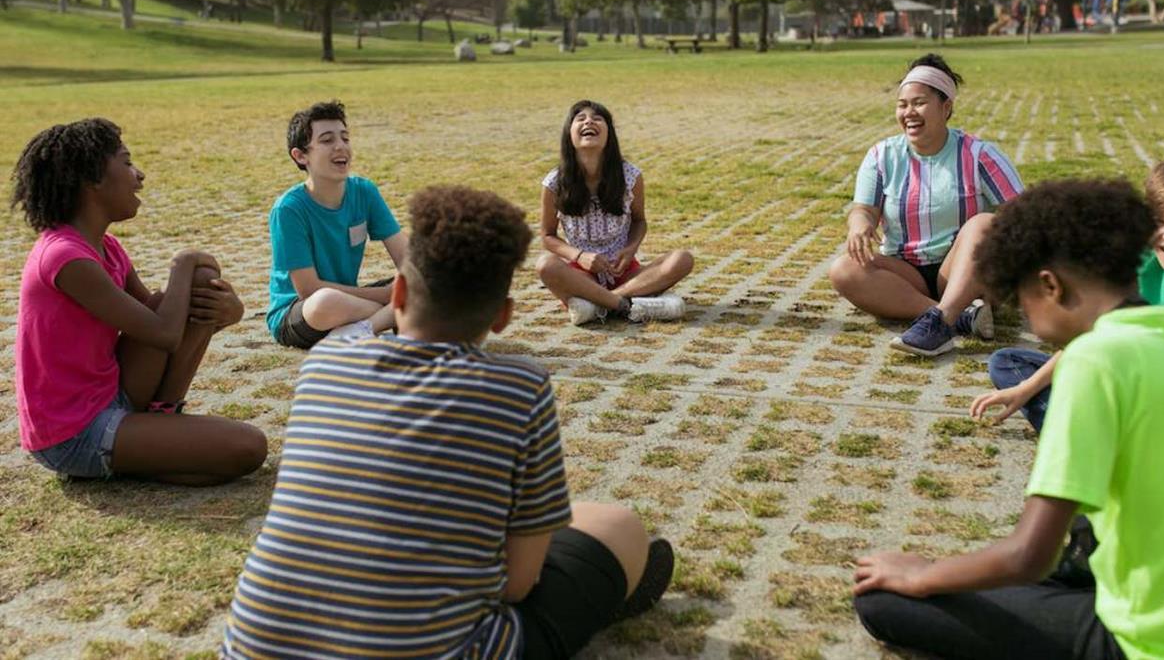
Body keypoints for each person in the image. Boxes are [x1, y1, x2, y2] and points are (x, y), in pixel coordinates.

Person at [223, 186, 674, 659]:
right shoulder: (521, 389)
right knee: (619, 527)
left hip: (257, 645)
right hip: (437, 647)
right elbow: (518, 585)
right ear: (502, 317)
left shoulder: (326, 361)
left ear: (397, 293)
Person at [853, 179, 1164, 659]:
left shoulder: (1094, 360)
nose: (1031, 324)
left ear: (1049, 285)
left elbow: (1027, 557)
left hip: (1158, 640)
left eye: (1022, 299)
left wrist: (923, 573)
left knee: (883, 601)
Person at [12, 118, 266, 485]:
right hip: (73, 434)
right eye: (127, 163)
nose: (140, 174)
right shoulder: (65, 258)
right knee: (248, 447)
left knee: (198, 284)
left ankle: (160, 422)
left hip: (111, 395)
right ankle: (138, 456)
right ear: (93, 180)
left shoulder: (107, 248)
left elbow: (164, 319)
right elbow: (164, 334)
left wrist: (229, 311)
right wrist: (183, 261)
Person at [972, 151, 1164, 431]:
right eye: (1159, 220)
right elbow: (1093, 338)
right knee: (1008, 363)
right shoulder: (1141, 264)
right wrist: (1024, 390)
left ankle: (1083, 430)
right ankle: (1088, 427)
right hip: (1124, 378)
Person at [829, 54, 1025, 357]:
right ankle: (957, 316)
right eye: (902, 104)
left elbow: (1023, 213)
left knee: (985, 224)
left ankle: (941, 323)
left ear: (945, 108)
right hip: (906, 273)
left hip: (963, 269)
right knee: (843, 270)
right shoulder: (882, 155)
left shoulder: (979, 154)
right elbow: (864, 209)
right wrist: (860, 225)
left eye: (919, 103)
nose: (909, 112)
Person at [536, 100, 694, 326]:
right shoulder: (554, 182)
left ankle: (601, 304)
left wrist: (630, 250)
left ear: (609, 134)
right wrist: (580, 256)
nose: (589, 121)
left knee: (682, 259)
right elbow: (547, 236)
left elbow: (639, 221)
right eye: (580, 119)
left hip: (626, 273)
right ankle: (628, 306)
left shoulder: (630, 176)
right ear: (568, 134)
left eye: (597, 118)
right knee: (545, 265)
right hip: (581, 275)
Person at [267, 100, 406, 349]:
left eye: (345, 138)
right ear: (301, 156)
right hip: (301, 311)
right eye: (327, 140)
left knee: (428, 277)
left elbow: (406, 257)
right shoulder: (288, 209)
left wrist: (415, 282)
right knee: (326, 302)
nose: (340, 147)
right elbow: (309, 290)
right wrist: (389, 297)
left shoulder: (365, 191)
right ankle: (391, 315)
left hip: (351, 302)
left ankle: (363, 329)